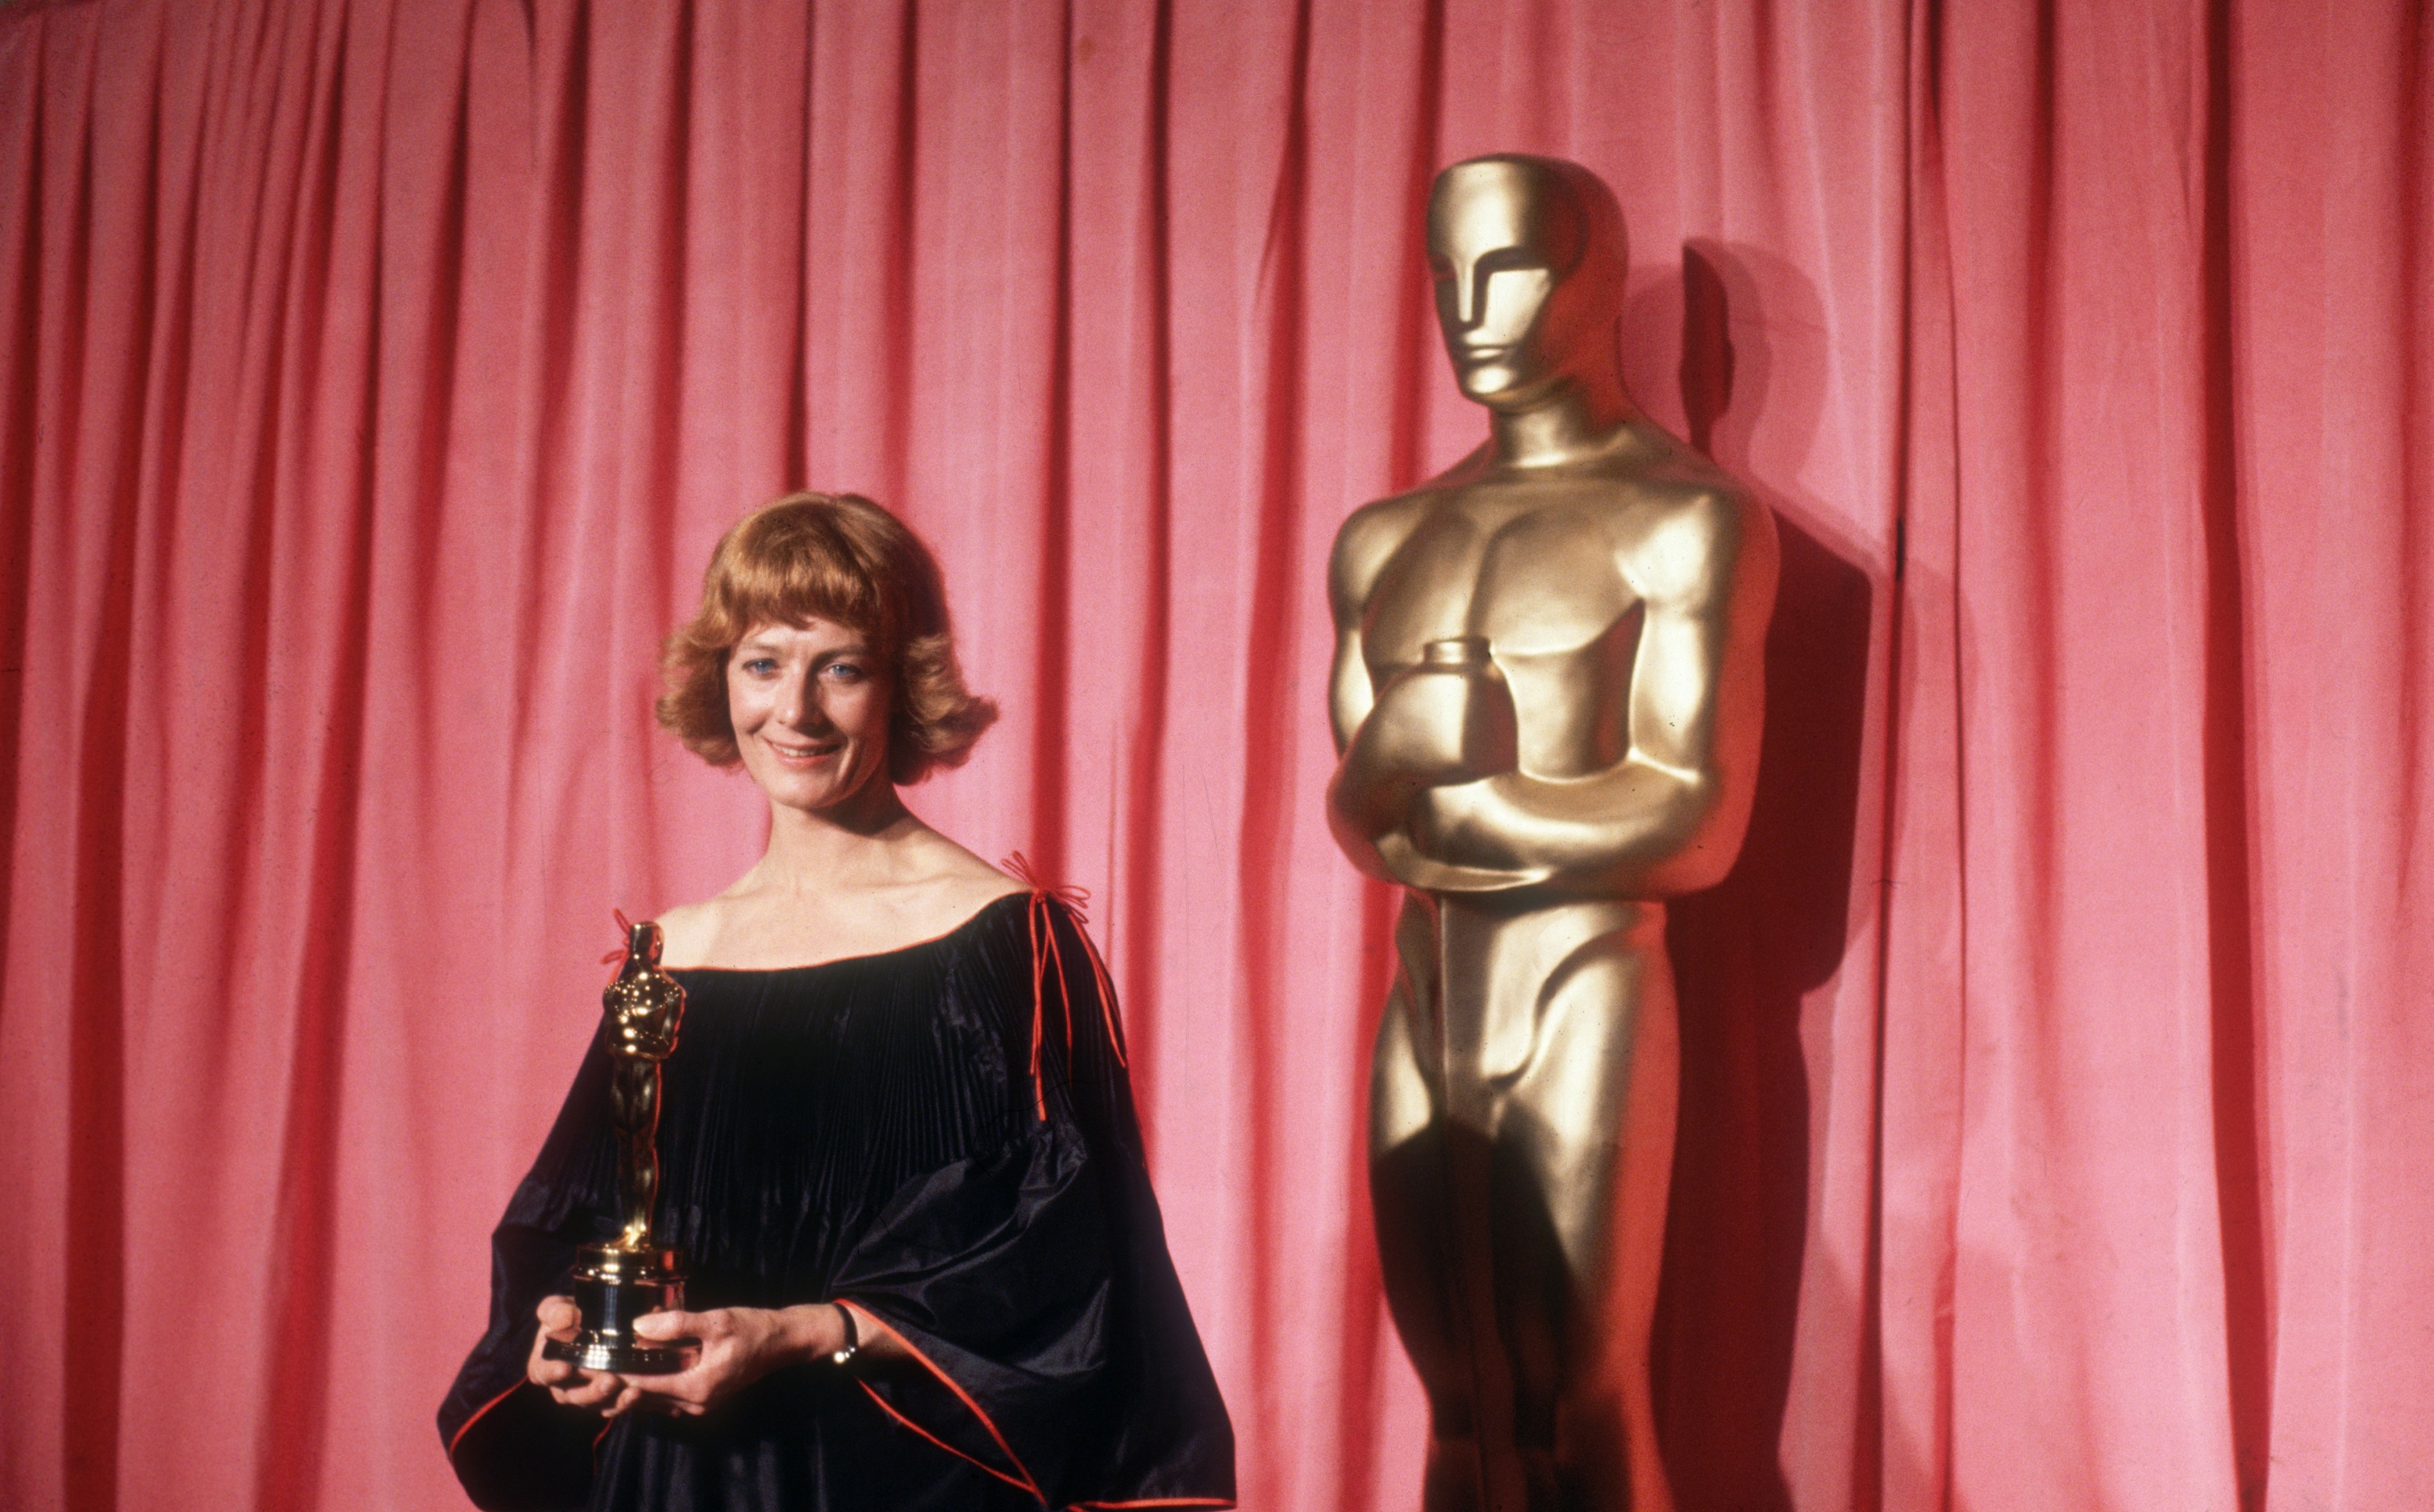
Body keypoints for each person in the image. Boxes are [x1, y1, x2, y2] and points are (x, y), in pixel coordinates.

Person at [439, 492, 1235, 1511]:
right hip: (681, 1482)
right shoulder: (671, 956)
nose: (796, 711)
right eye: (763, 663)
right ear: (720, 679)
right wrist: (563, 1336)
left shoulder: (1006, 945)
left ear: (905, 686)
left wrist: (805, 1330)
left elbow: (1068, 1270)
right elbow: (579, 1220)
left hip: (902, 1480)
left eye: (842, 667)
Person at [1326, 157, 1776, 1511]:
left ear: (1591, 281)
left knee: (1577, 1390)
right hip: (1428, 979)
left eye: (1512, 267)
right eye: (1448, 273)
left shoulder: (1684, 519)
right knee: (1462, 1400)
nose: (1474, 309)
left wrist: (1450, 797)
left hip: (1586, 969)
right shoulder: (1387, 535)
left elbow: (1693, 820)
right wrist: (1399, 765)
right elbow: (1359, 816)